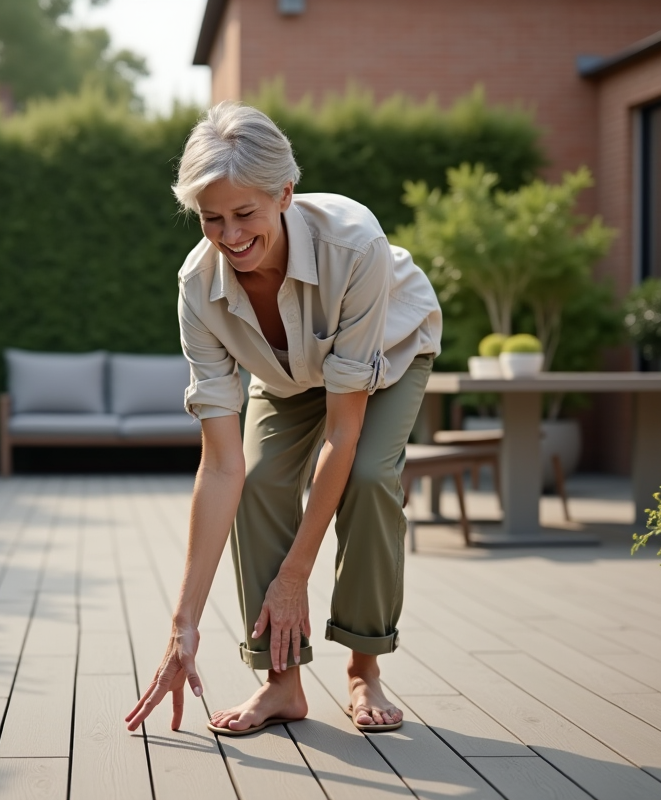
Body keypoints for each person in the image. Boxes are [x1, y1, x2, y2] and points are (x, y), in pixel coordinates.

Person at [124, 102, 442, 736]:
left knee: (370, 478)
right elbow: (221, 465)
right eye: (211, 219)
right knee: (262, 482)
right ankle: (282, 684)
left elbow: (343, 433)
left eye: (245, 214)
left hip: (386, 354)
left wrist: (296, 574)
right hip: (287, 375)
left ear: (285, 194)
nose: (230, 235)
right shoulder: (197, 287)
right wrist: (182, 622)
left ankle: (364, 669)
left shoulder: (356, 244)